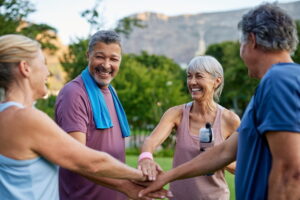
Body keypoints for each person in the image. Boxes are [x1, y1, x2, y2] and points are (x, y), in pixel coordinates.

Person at [139, 3, 300, 200]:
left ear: (252, 41)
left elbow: (290, 172)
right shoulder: (275, 84)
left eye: (241, 45)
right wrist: (166, 177)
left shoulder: (279, 80)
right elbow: (222, 152)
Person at [0, 34, 169, 200]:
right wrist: (142, 176)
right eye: (43, 63)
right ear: (25, 68)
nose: (48, 71)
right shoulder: (26, 118)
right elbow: (88, 162)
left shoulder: (8, 115)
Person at [55, 30, 167, 200]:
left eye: (113, 59)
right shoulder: (74, 94)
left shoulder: (111, 91)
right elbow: (77, 159)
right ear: (88, 56)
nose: (106, 65)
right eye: (100, 57)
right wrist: (127, 184)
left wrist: (135, 178)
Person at [138, 55, 240, 200]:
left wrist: (215, 156)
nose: (192, 82)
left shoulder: (229, 119)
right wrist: (146, 157)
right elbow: (152, 140)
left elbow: (243, 165)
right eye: (189, 76)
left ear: (216, 81)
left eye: (199, 76)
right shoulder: (176, 114)